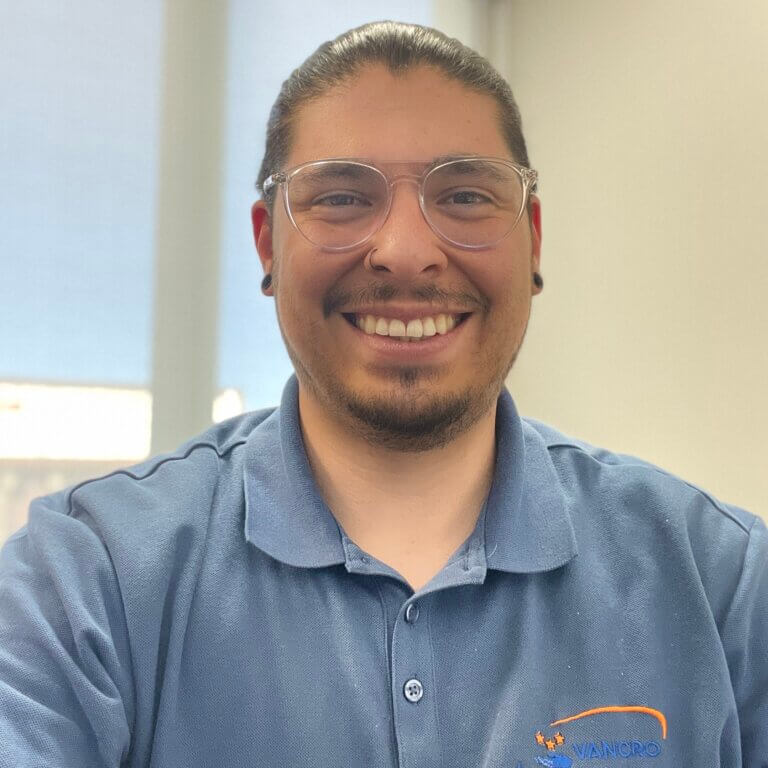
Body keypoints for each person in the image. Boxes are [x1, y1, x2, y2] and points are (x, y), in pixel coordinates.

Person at [0, 20, 765, 768]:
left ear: (533, 237)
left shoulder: (725, 587)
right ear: (268, 243)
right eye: (341, 198)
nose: (405, 253)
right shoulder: (84, 586)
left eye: (465, 196)